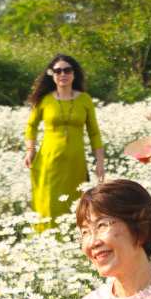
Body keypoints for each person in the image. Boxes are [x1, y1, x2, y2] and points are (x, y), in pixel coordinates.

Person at [24, 55, 105, 230]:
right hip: (48, 162)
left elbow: (94, 133)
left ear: (74, 74)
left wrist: (100, 162)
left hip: (75, 164)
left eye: (67, 70)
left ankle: (73, 240)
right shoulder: (45, 100)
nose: (63, 74)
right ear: (52, 75)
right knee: (49, 204)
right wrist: (30, 149)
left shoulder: (85, 99)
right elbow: (31, 126)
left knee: (75, 203)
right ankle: (47, 240)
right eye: (58, 71)